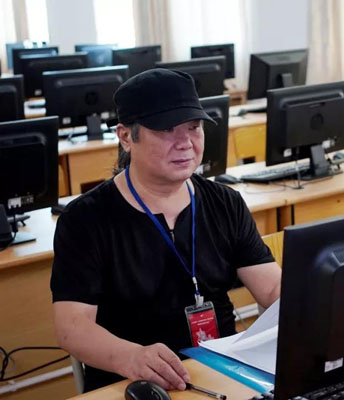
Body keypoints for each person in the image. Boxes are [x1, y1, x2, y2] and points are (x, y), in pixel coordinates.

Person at [51, 68, 281, 392]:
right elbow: (71, 327)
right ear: (126, 137)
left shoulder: (225, 202)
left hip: (224, 374)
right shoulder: (85, 219)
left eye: (194, 127)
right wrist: (131, 357)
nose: (185, 142)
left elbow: (272, 289)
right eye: (166, 129)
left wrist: (317, 302)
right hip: (135, 384)